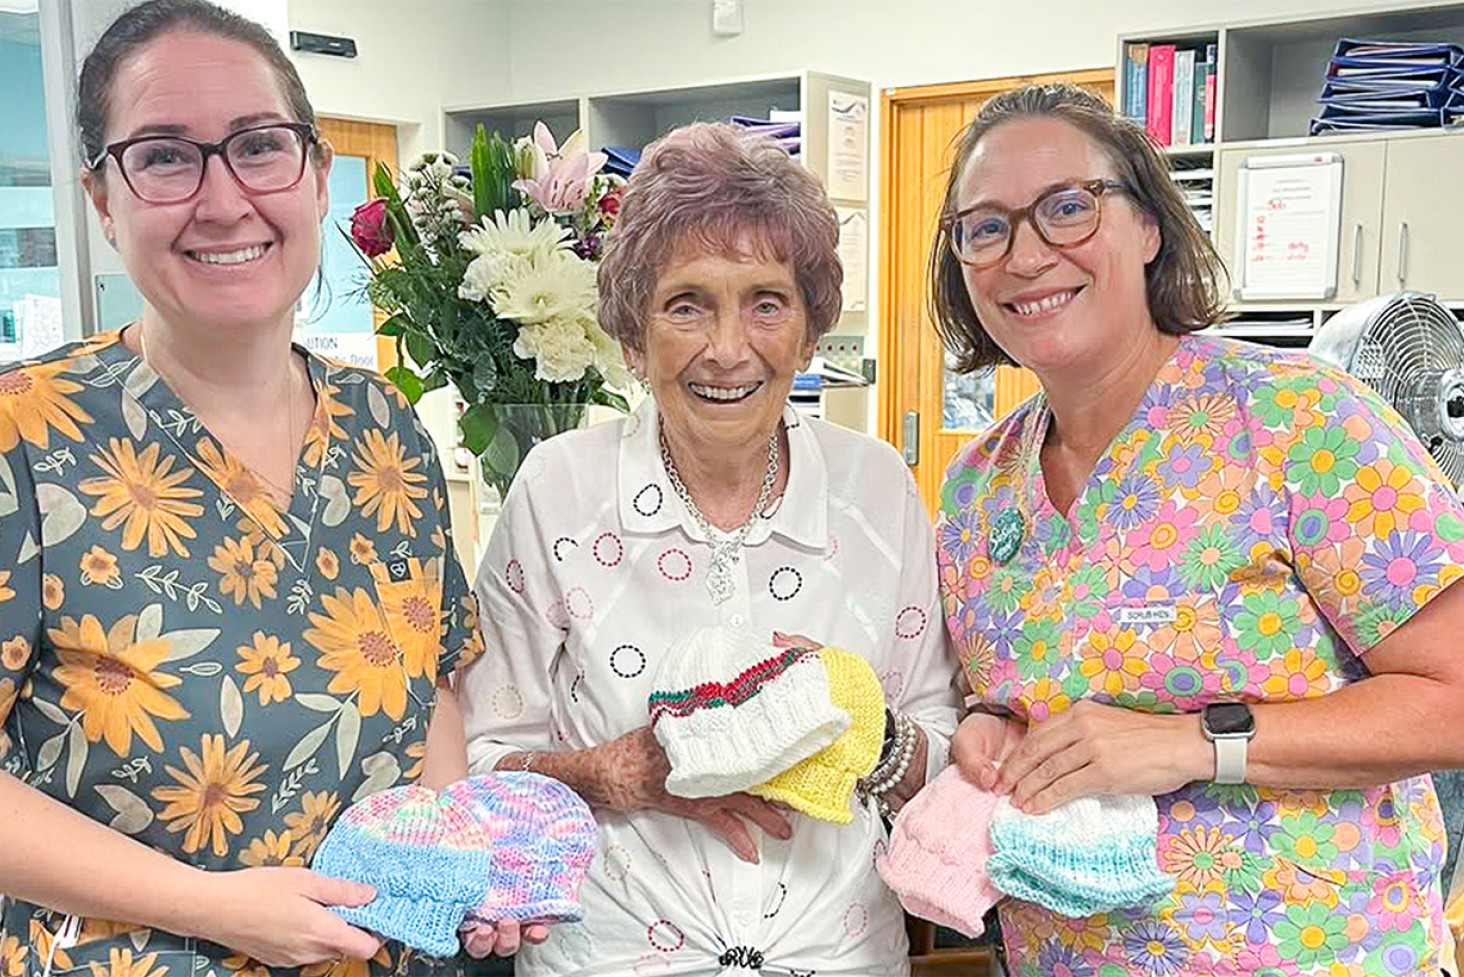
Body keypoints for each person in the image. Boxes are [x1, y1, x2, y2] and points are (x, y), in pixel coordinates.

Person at [0, 0, 536, 972]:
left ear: (319, 178)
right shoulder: (27, 436)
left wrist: (452, 861)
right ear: (101, 199)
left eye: (258, 145)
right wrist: (216, 907)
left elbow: (432, 686)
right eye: (164, 155)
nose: (222, 197)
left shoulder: (388, 430)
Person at [932, 81, 1464, 975]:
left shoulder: (1297, 422)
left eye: (1067, 208)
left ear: (1148, 227)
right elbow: (1019, 686)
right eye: (986, 227)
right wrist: (986, 726)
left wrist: (1194, 743)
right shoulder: (977, 487)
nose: (1025, 253)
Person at [458, 121, 962, 976]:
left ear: (808, 334)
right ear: (632, 336)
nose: (728, 348)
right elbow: (476, 756)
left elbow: (943, 745)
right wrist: (615, 773)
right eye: (686, 304)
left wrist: (867, 736)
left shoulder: (876, 489)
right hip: (610, 956)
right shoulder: (559, 488)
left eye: (767, 303)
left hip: (840, 955)